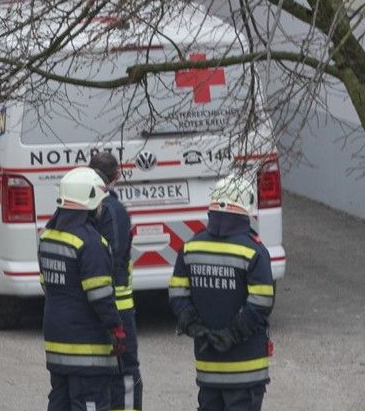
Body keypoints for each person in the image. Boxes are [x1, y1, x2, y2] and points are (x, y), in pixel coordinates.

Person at [168, 174, 274, 411]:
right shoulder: (253, 251)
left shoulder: (191, 247)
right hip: (246, 367)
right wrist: (232, 334)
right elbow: (262, 301)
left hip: (208, 366)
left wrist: (193, 326)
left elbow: (177, 292)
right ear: (245, 208)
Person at [39, 167, 127, 411]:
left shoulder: (48, 236)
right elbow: (100, 295)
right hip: (87, 349)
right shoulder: (91, 243)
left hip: (56, 343)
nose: (101, 208)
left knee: (60, 404)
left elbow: (46, 284)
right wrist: (116, 328)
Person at [89, 152, 142, 411]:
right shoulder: (115, 210)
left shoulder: (84, 207)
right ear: (117, 176)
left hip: (93, 304)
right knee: (126, 371)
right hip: (119, 305)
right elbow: (116, 256)